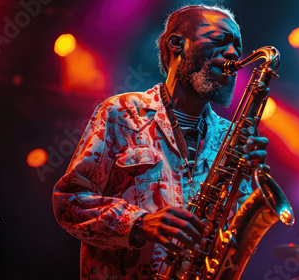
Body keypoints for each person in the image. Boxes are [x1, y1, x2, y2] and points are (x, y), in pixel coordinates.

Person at [52, 4, 270, 279]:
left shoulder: (231, 137)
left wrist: (245, 181)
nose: (233, 54)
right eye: (220, 41)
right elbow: (70, 202)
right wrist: (139, 224)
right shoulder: (120, 113)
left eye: (237, 48)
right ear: (177, 43)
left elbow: (225, 235)